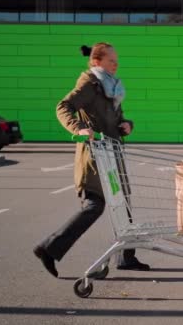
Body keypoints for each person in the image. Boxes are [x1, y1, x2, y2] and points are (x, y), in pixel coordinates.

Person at [33, 42, 149, 277]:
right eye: (111, 61)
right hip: (96, 158)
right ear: (97, 62)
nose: (116, 64)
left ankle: (126, 257)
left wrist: (127, 125)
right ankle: (49, 248)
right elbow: (63, 106)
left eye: (117, 61)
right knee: (95, 205)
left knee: (124, 205)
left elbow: (116, 118)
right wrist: (79, 128)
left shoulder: (113, 87)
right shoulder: (90, 82)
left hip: (113, 154)